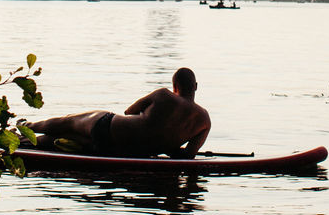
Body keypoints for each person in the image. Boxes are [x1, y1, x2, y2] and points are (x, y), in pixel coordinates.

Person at [29, 66, 211, 159]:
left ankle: (26, 127)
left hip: (107, 126)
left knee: (67, 123)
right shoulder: (204, 120)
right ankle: (26, 141)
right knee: (69, 138)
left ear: (175, 87)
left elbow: (129, 110)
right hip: (123, 151)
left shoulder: (164, 95)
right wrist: (166, 144)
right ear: (195, 87)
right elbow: (188, 156)